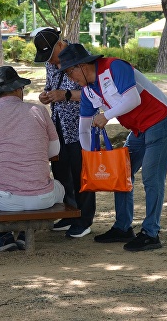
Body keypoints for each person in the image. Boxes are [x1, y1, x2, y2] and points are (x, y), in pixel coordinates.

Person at [58, 43, 167, 252]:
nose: (71, 79)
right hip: (139, 129)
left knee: (152, 177)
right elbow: (84, 129)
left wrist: (106, 115)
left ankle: (151, 233)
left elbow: (133, 99)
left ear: (81, 66)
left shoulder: (114, 67)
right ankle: (123, 227)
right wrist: (89, 158)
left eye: (70, 72)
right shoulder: (88, 91)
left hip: (162, 120)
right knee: (121, 173)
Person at [0, 66, 65, 254]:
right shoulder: (39, 111)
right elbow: (54, 150)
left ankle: (3, 236)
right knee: (59, 187)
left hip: (4, 199)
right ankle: (22, 234)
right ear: (19, 89)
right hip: (43, 198)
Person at [33, 27, 96, 238]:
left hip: (81, 127)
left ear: (60, 45)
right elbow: (51, 86)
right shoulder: (50, 65)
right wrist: (46, 95)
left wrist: (67, 95)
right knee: (61, 172)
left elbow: (93, 92)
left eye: (51, 56)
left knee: (81, 174)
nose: (49, 61)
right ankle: (69, 213)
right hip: (58, 125)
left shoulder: (80, 57)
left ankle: (84, 219)